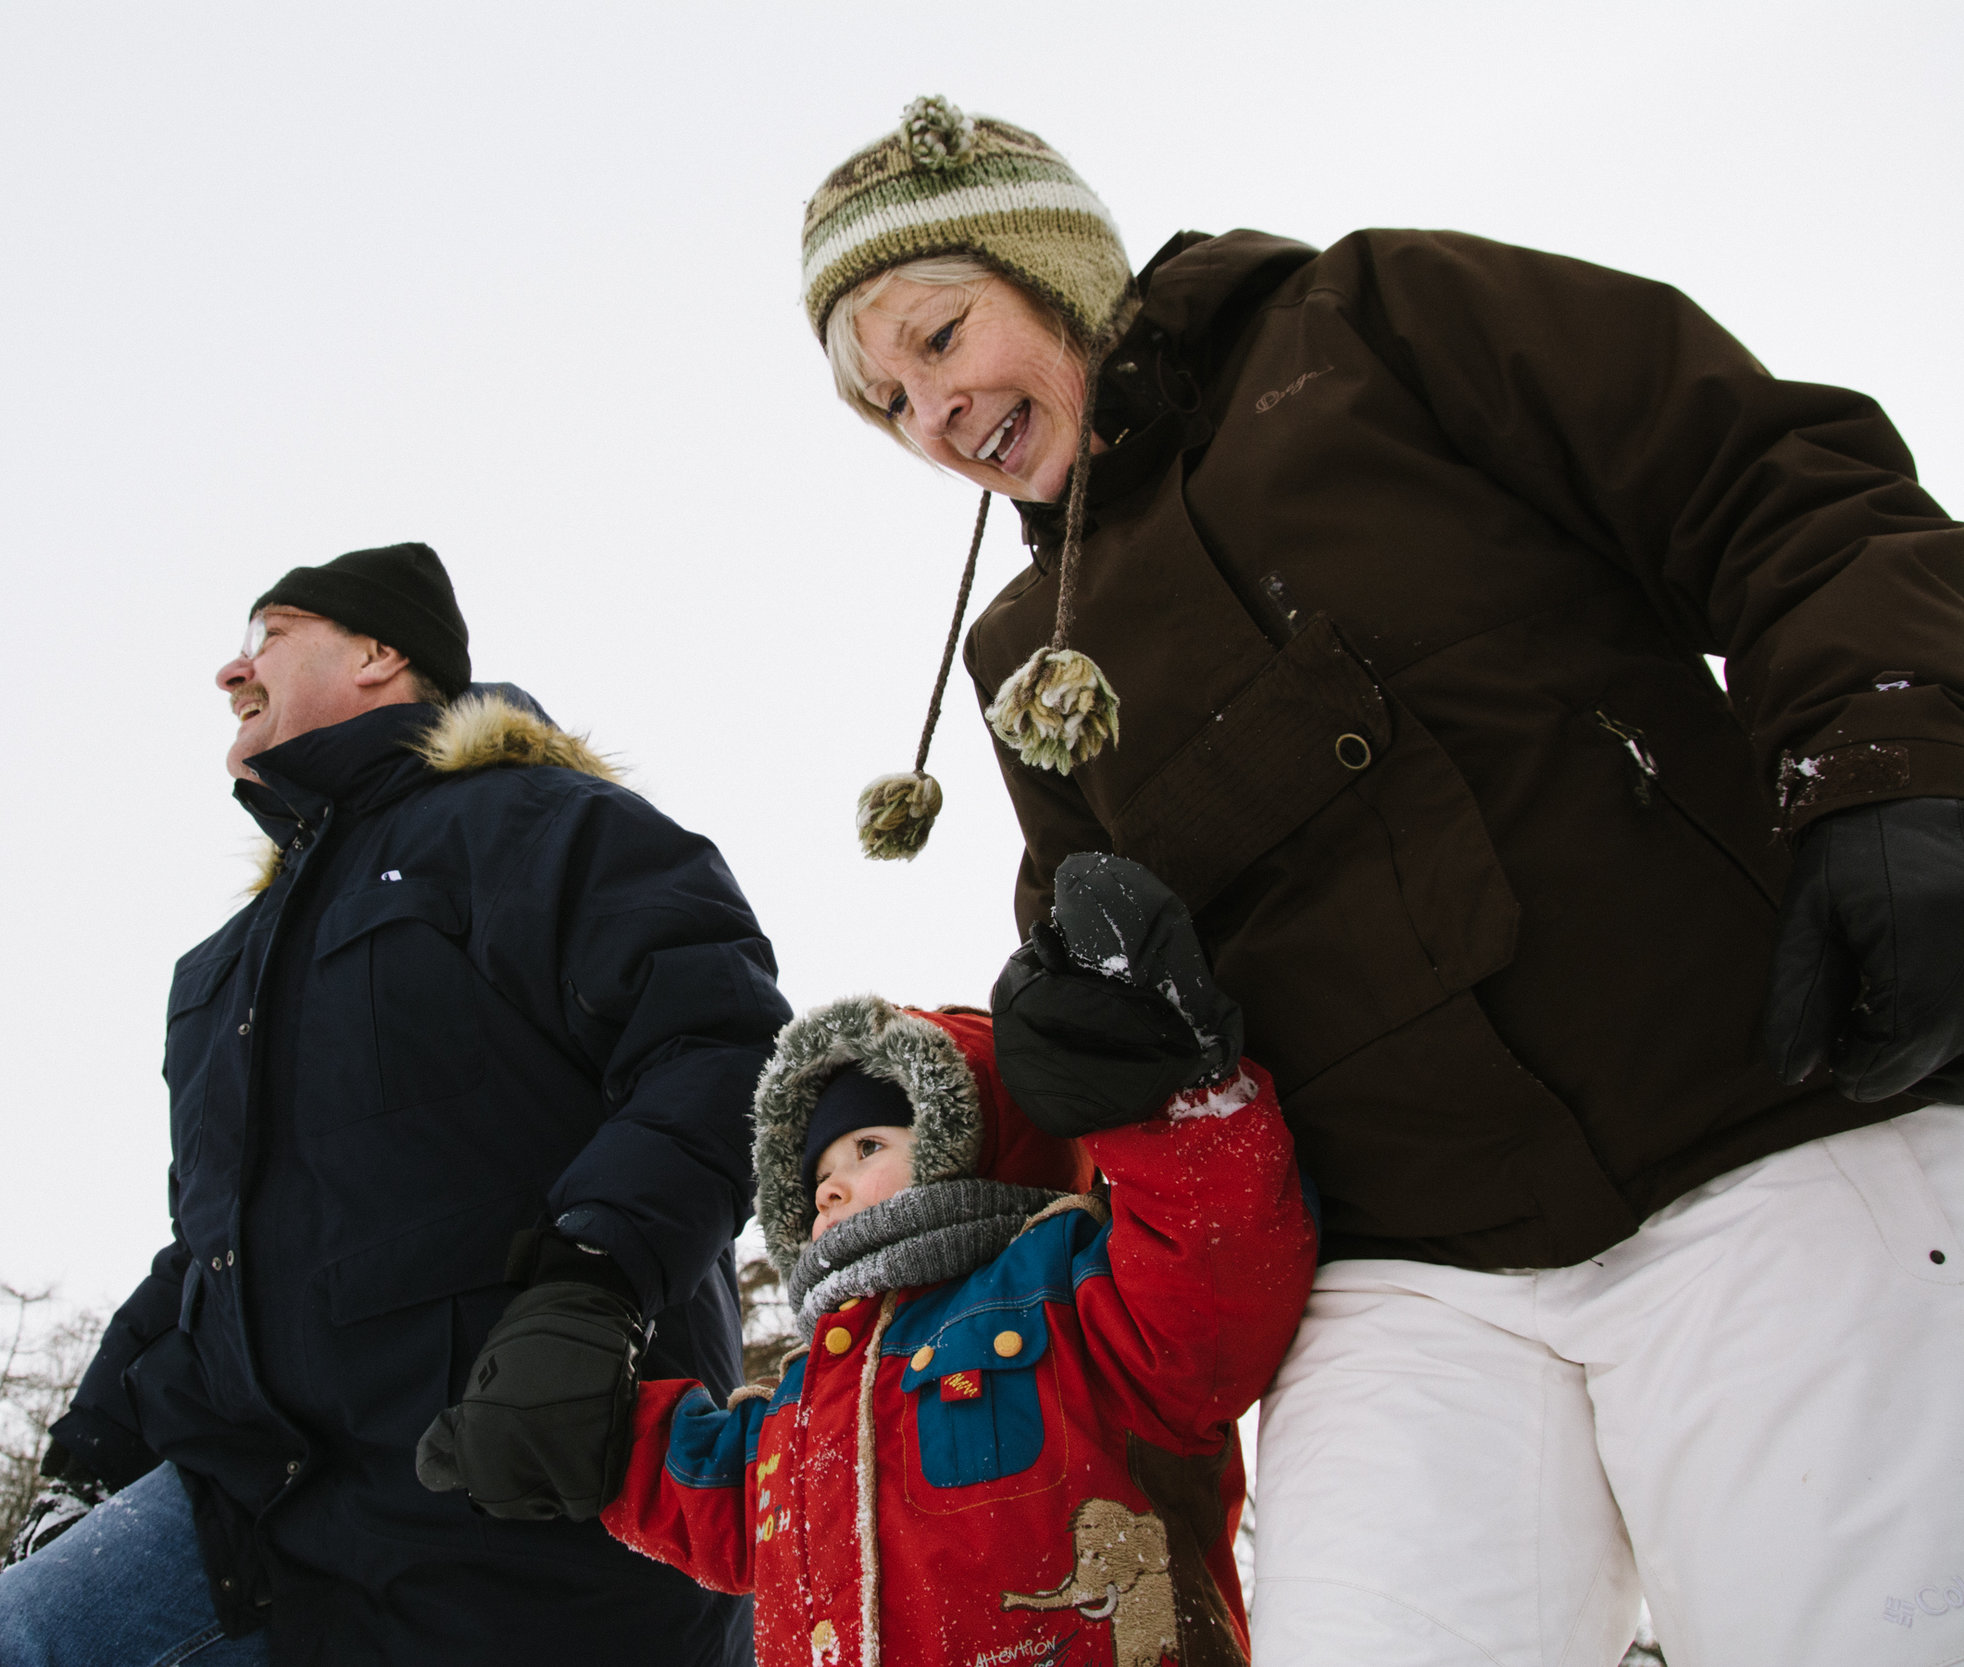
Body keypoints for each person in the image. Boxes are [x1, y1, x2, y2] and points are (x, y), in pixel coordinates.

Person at [796, 96, 1964, 1667]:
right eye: (886, 403)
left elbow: (1772, 478)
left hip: (1754, 1114)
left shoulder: (1370, 324)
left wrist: (1897, 761)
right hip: (1411, 1269)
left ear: (1050, 263)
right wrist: (1091, 1036)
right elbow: (1113, 955)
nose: (931, 412)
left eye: (938, 337)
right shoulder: (1031, 659)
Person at [0, 542, 791, 1667]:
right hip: (270, 1513)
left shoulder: (539, 826)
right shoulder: (224, 968)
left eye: (270, 636)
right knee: (26, 1636)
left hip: (523, 1490)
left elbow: (716, 1041)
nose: (229, 672)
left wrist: (592, 1290)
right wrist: (93, 1447)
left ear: (381, 653)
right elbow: (209, 1247)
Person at [457, 852, 1316, 1667]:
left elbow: (1211, 1270)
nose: (829, 1188)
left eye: (866, 1145)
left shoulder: (1068, 1288)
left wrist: (1169, 1102)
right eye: (817, 1175)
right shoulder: (809, 1392)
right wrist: (590, 1436)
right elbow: (716, 1498)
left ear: (967, 1138)